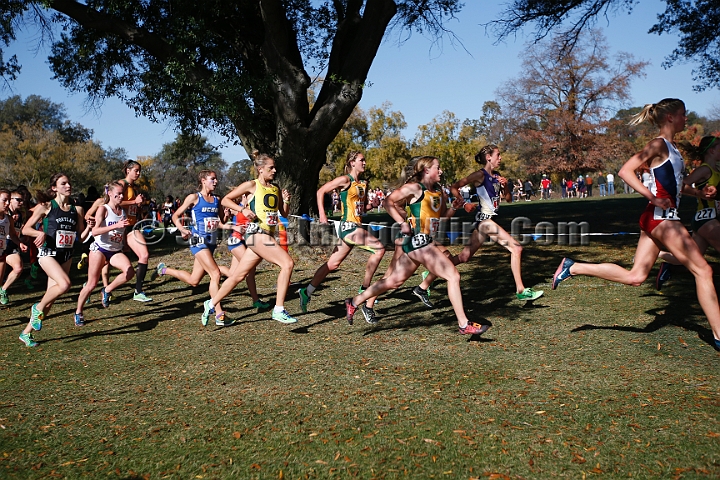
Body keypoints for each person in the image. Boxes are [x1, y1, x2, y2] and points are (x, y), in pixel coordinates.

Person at [552, 98, 720, 352]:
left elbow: (677, 186)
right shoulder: (658, 144)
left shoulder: (673, 148)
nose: (686, 118)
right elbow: (625, 171)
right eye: (683, 114)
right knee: (703, 271)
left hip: (658, 216)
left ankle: (573, 267)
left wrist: (700, 194)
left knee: (636, 276)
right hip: (662, 217)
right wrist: (651, 196)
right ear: (670, 117)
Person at [344, 156, 489, 335]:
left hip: (423, 243)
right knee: (453, 275)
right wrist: (401, 222)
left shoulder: (439, 192)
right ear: (426, 170)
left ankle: (355, 301)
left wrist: (454, 208)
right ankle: (463, 323)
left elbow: (441, 218)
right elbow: (388, 201)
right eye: (438, 167)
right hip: (417, 241)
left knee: (394, 281)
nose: (441, 171)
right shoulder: (415, 189)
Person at [416, 145, 543, 303]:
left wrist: (505, 186)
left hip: (487, 221)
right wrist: (464, 204)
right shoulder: (479, 175)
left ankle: (425, 282)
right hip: (484, 221)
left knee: (464, 257)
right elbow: (455, 187)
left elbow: (509, 199)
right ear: (489, 157)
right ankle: (521, 290)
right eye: (498, 155)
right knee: (516, 248)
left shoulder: (497, 176)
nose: (500, 158)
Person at [202, 151, 297, 325]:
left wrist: (286, 201)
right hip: (256, 234)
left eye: (275, 167)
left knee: (238, 276)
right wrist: (242, 210)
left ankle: (211, 303)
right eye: (271, 167)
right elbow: (225, 200)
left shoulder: (274, 188)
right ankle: (279, 309)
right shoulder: (251, 185)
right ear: (260, 169)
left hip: (265, 235)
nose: (274, 170)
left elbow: (283, 214)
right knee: (287, 263)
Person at [297, 151, 386, 323]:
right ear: (352, 163)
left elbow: (361, 209)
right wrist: (322, 215)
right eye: (362, 160)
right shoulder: (345, 180)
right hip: (348, 227)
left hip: (356, 227)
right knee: (379, 248)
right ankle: (364, 290)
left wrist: (371, 205)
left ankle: (306, 291)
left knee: (333, 264)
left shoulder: (363, 184)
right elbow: (321, 191)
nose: (365, 163)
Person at [153, 170, 239, 326]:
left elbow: (219, 221)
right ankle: (219, 314)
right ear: (203, 180)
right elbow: (175, 216)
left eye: (216, 179)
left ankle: (163, 270)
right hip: (197, 240)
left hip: (211, 241)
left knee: (194, 280)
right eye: (212, 179)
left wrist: (226, 218)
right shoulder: (194, 198)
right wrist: (182, 229)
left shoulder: (216, 200)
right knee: (215, 273)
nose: (216, 181)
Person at [18, 173, 91, 347]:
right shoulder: (46, 207)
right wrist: (39, 233)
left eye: (69, 183)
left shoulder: (77, 210)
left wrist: (90, 227)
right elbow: (25, 229)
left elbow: (80, 237)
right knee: (65, 285)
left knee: (50, 302)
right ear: (54, 188)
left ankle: (25, 333)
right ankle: (36, 307)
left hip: (66, 255)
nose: (68, 186)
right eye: (63, 183)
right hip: (48, 253)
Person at [655, 135, 720, 290]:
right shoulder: (705, 169)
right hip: (707, 219)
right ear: (711, 150)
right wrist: (699, 193)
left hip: (707, 220)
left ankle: (662, 259)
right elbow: (682, 185)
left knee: (689, 258)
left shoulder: (717, 169)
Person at [74, 181, 135, 325]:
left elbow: (123, 230)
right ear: (109, 193)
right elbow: (95, 231)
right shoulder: (103, 209)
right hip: (100, 249)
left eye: (122, 194)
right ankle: (78, 312)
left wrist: (125, 243)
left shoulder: (123, 211)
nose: (121, 196)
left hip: (115, 250)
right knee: (91, 284)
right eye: (118, 194)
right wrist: (116, 225)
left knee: (130, 272)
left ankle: (107, 290)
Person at [118, 160, 153, 302]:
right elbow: (115, 202)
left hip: (132, 227)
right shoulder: (122, 184)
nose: (138, 173)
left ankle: (138, 291)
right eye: (136, 170)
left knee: (144, 255)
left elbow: (134, 207)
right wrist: (133, 202)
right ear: (128, 170)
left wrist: (140, 206)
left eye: (139, 171)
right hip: (119, 227)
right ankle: (91, 286)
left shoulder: (135, 187)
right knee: (105, 261)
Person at [0, 191, 29, 304]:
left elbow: (12, 235)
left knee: (17, 268)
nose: (7, 203)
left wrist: (20, 243)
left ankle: (3, 290)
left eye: (8, 200)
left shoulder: (8, 219)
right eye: (4, 200)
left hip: (3, 252)